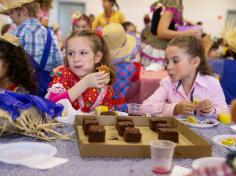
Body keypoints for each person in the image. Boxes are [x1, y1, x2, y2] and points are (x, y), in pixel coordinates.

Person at [143, 35, 227, 117]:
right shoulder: (168, 83)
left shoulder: (212, 83)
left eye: (175, 61)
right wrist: (175, 108)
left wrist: (211, 110)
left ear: (195, 62)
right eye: (167, 61)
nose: (169, 67)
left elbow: (225, 113)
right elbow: (145, 107)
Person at [0, 0, 63, 96]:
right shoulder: (50, 34)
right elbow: (59, 64)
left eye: (12, 12)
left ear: (23, 11)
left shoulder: (15, 35)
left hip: (21, 93)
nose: (10, 16)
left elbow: (10, 67)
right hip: (44, 92)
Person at [46, 30, 115, 113]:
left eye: (83, 53)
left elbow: (107, 115)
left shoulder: (103, 83)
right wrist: (84, 83)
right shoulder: (63, 75)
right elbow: (51, 104)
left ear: (97, 57)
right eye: (71, 53)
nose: (76, 59)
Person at [141, 0, 202, 71]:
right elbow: (161, 32)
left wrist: (184, 21)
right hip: (160, 50)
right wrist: (187, 33)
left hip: (158, 46)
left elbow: (167, 19)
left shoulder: (175, 2)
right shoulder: (171, 3)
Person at [102, 23, 141, 112]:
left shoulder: (98, 67)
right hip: (122, 107)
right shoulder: (132, 67)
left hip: (100, 107)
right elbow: (136, 80)